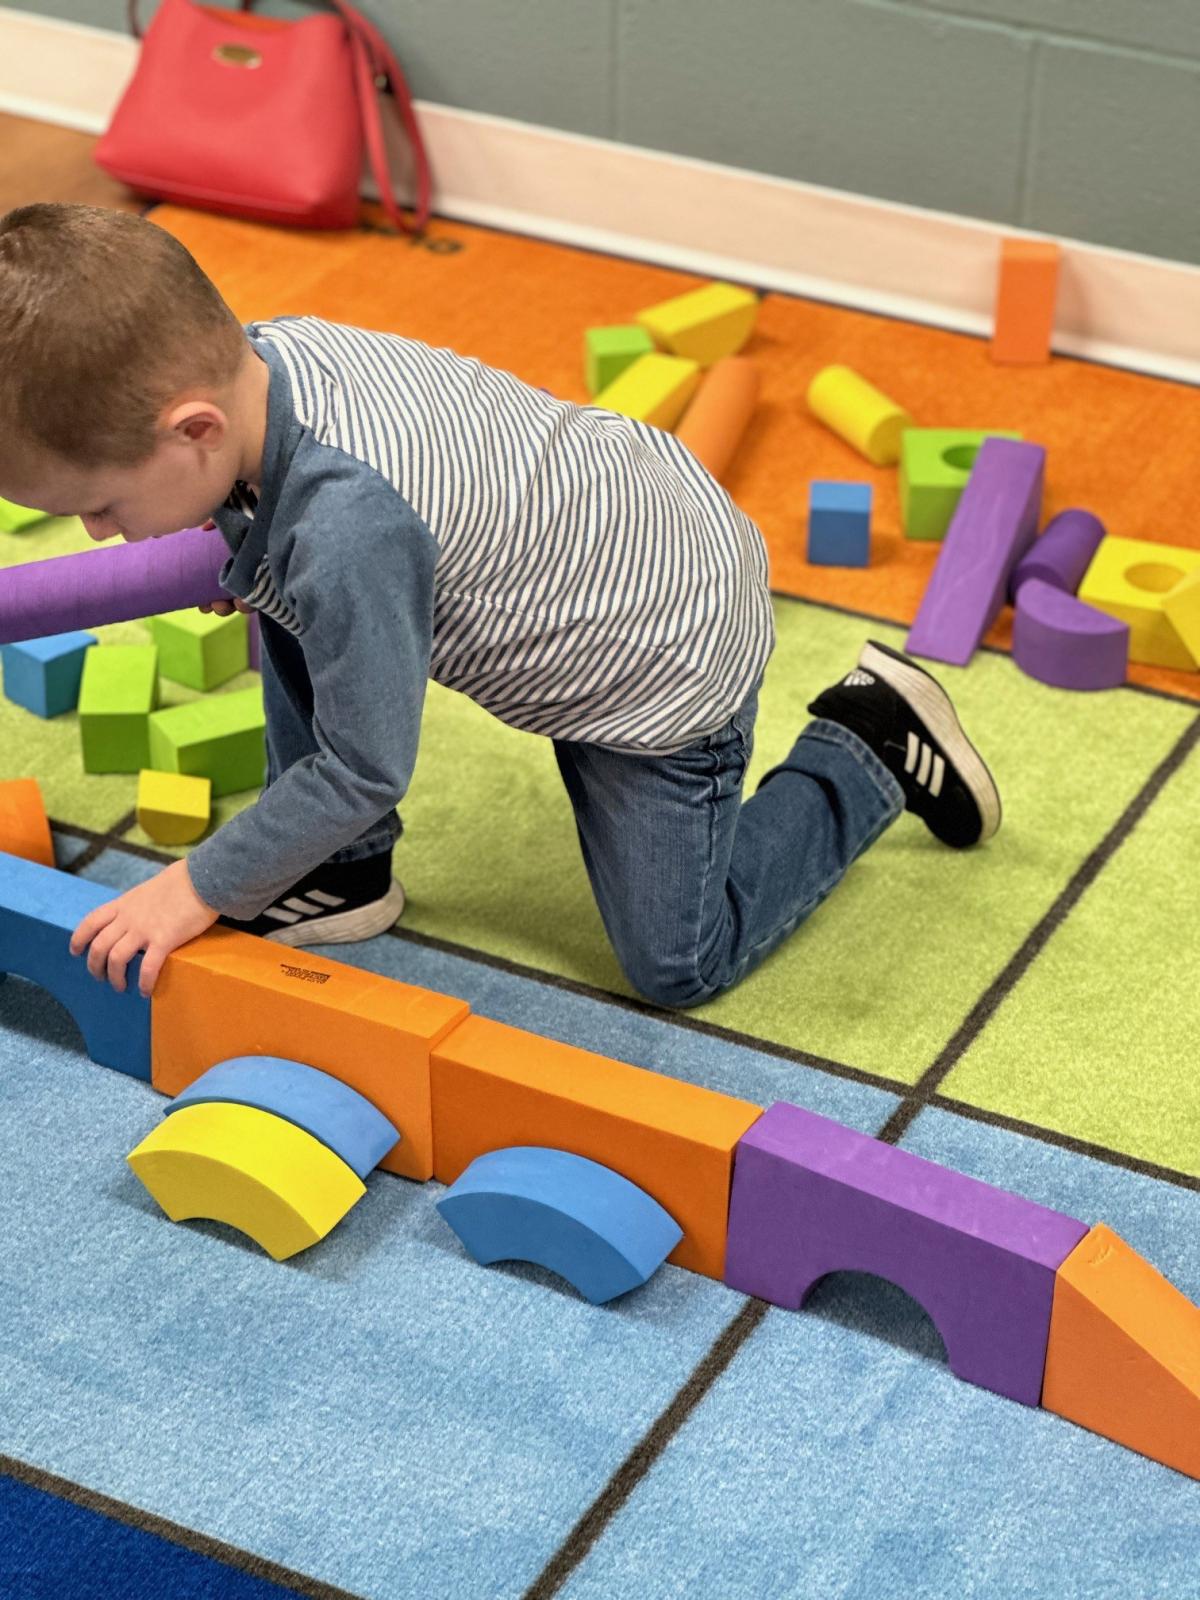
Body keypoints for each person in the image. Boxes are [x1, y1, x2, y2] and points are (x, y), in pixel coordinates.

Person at [0, 203, 1000, 1006]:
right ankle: (343, 872)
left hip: (657, 661)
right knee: (288, 594)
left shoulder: (346, 527)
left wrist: (195, 886)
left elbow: (362, 764)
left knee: (678, 963)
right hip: (624, 514)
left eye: (99, 506)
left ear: (193, 430)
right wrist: (250, 559)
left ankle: (863, 744)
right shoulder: (272, 359)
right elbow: (310, 541)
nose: (95, 533)